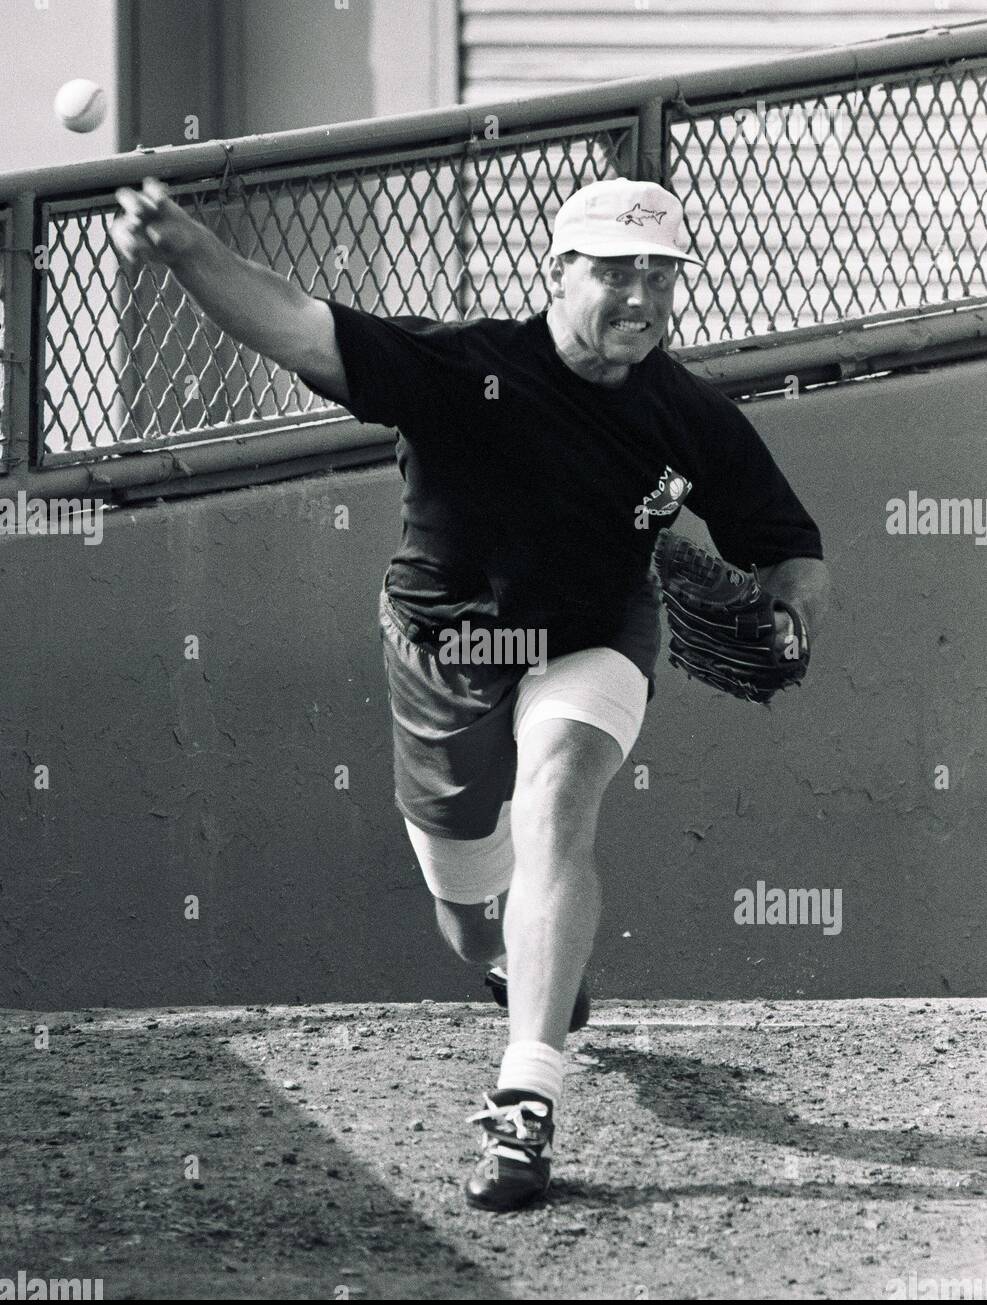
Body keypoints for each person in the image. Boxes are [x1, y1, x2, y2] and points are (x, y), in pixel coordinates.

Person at [112, 174, 831, 1212]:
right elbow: (300, 330)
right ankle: (522, 965)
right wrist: (188, 249)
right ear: (560, 270)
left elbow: (792, 546)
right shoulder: (465, 368)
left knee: (557, 802)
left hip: (593, 640)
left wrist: (795, 609)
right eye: (615, 271)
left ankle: (526, 1095)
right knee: (467, 919)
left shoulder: (689, 414)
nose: (640, 296)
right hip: (444, 652)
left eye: (659, 274)